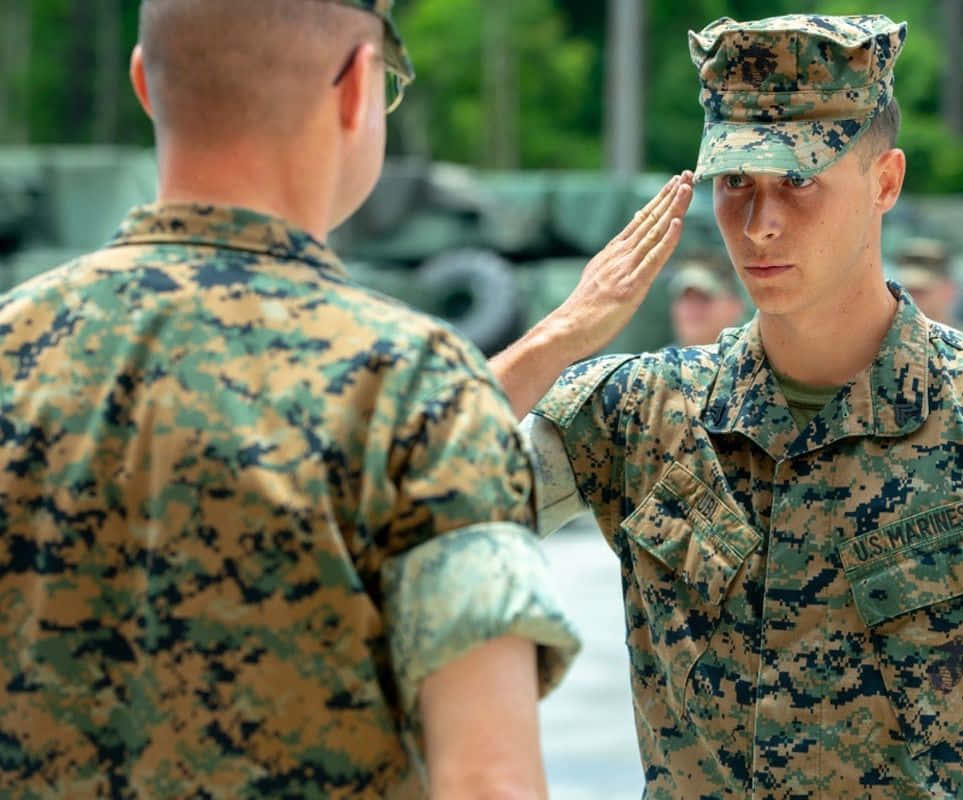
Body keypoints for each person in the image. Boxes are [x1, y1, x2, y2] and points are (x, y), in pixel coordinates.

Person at [490, 13, 963, 799]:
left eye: (800, 180)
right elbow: (411, 498)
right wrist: (559, 336)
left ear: (885, 182)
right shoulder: (640, 414)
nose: (760, 222)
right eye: (736, 182)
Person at [0, 1, 579, 796]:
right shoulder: (414, 386)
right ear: (355, 89)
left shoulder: (12, 348)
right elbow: (487, 779)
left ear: (143, 82)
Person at [668, 252, 747, 346]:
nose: (693, 308)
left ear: (735, 306)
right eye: (685, 297)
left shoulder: (758, 357)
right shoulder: (656, 360)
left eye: (704, 298)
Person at [895, 236, 961, 327]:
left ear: (949, 290)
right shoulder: (886, 337)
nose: (910, 299)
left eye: (921, 292)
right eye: (907, 291)